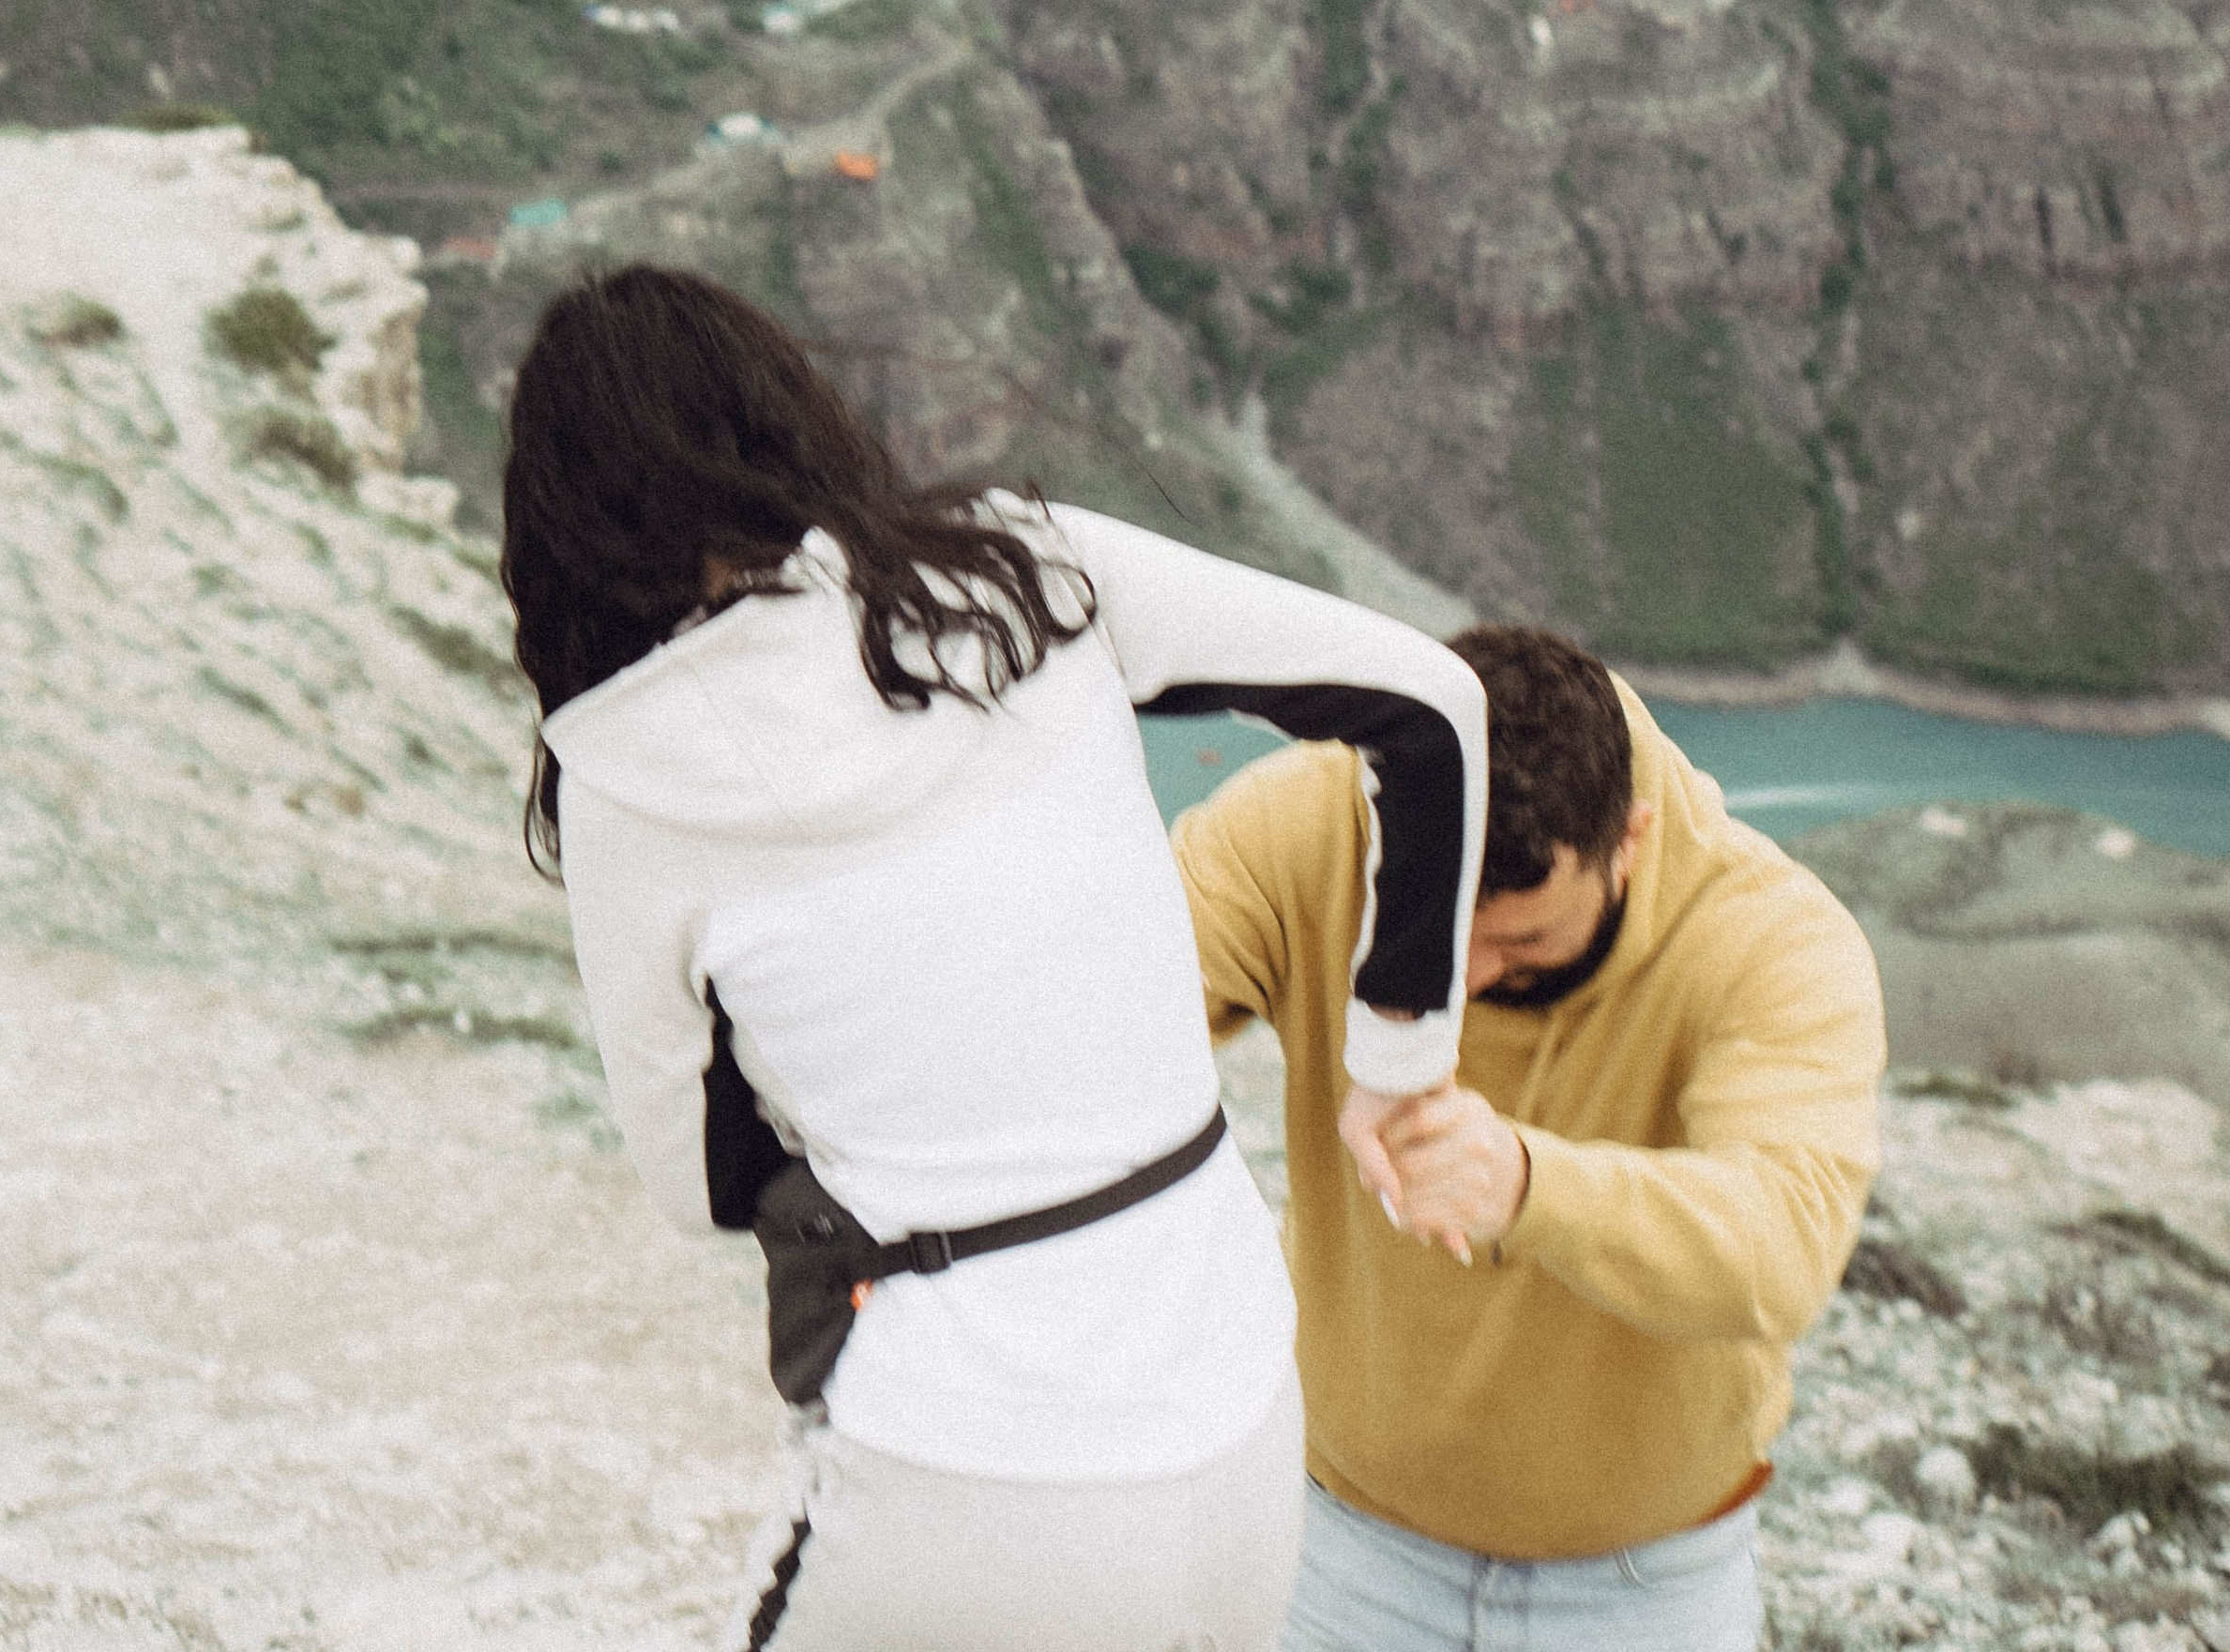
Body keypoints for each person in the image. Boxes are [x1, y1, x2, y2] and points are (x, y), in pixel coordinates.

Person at [498, 264, 1489, 1652]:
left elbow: (702, 1183)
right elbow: (1432, 706)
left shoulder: (619, 777)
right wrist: (1396, 1064)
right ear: (790, 417)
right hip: (1243, 1428)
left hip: (960, 1470)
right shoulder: (1031, 570)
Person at [1173, 622, 1887, 1652]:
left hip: (1644, 1587)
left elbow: (1780, 1250)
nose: (1457, 981)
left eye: (1518, 941)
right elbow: (1106, 1018)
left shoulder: (1773, 941)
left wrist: (1523, 1186)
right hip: (1338, 1544)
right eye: (1427, 926)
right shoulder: (1312, 820)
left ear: (1627, 843)